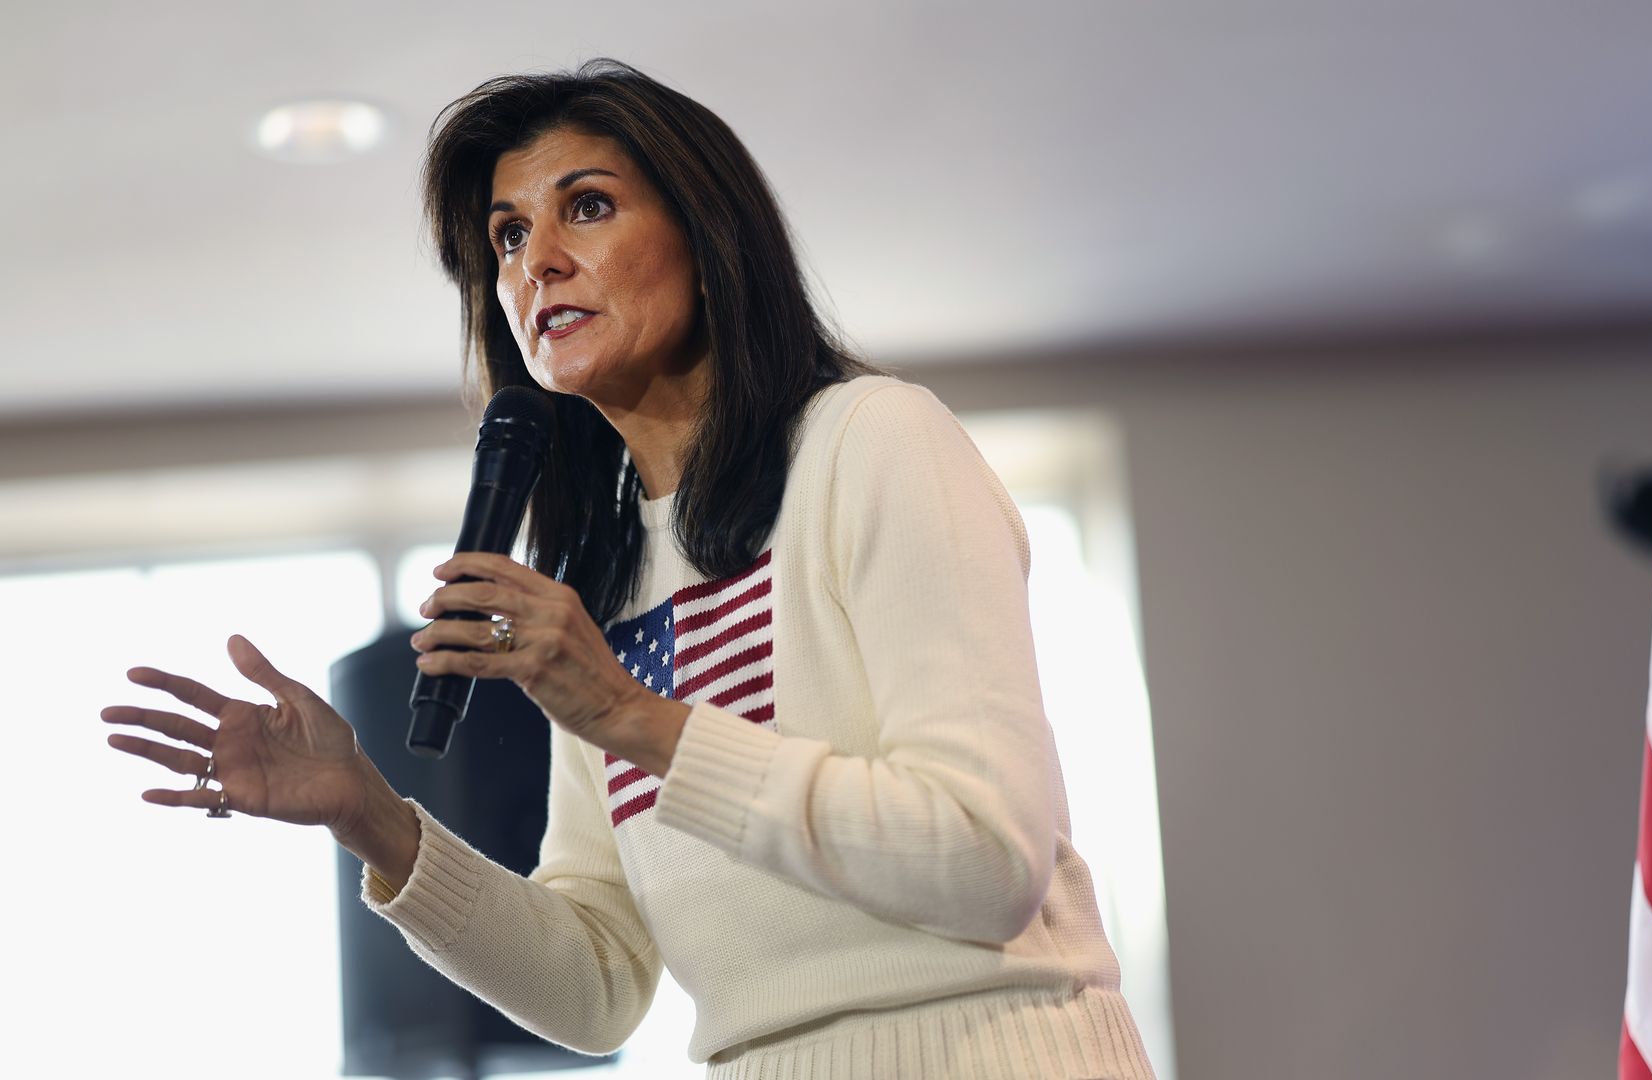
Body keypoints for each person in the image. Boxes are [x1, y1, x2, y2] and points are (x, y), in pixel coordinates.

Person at [101, 58, 1155, 1079]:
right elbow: (597, 984)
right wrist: (369, 815)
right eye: (507, 236)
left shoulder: (873, 442)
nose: (536, 261)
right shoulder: (600, 579)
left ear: (708, 238)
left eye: (587, 208)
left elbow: (985, 861)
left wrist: (629, 714)